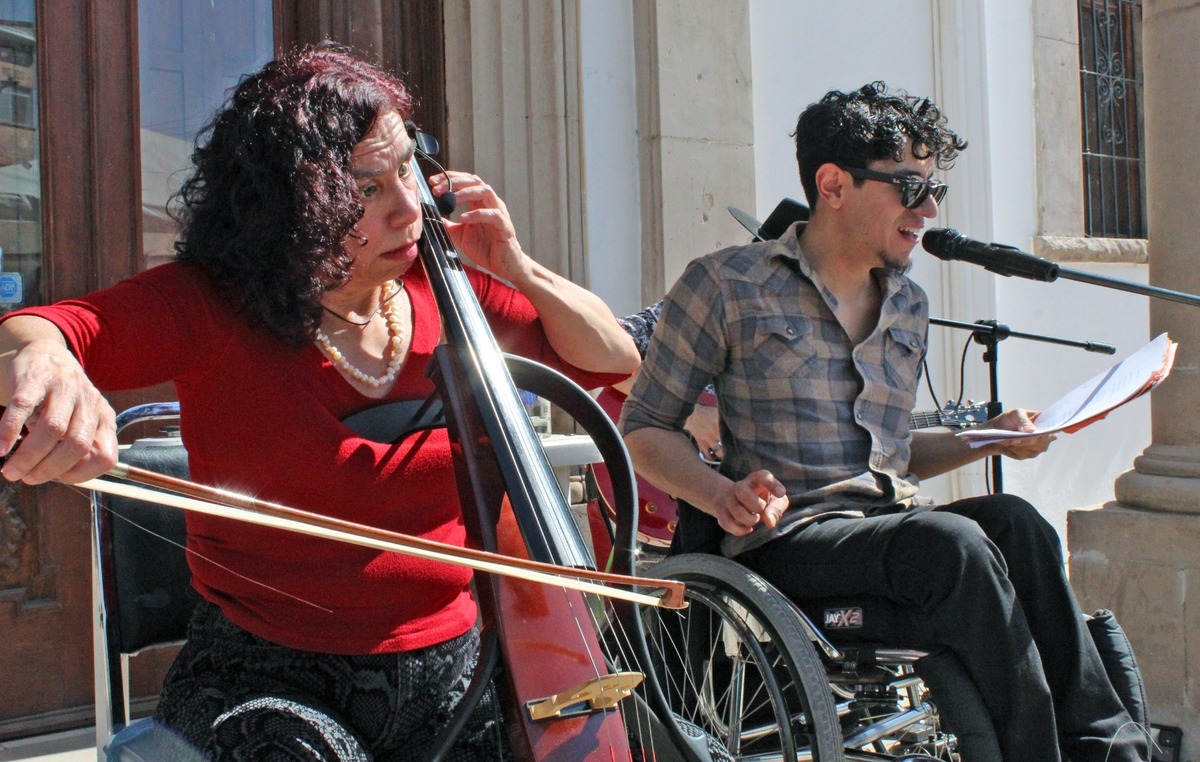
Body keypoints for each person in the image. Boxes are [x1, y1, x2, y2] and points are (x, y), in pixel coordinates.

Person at [0, 45, 638, 760]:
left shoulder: (446, 291)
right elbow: (48, 329)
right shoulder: (213, 306)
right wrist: (44, 363)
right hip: (272, 686)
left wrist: (516, 265)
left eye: (406, 170)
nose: (407, 209)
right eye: (367, 190)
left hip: (460, 679)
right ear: (294, 204)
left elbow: (613, 359)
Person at [620, 81, 1149, 762]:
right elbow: (645, 429)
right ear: (834, 184)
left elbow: (892, 456)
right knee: (953, 545)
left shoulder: (909, 303)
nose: (928, 209)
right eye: (908, 187)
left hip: (888, 531)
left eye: (936, 190)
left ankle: (1112, 750)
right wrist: (721, 495)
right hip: (792, 541)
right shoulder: (725, 284)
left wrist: (988, 438)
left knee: (1018, 524)